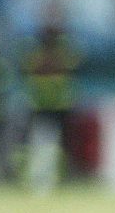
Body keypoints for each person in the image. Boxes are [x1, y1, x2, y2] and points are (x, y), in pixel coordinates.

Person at [22, 19, 80, 193]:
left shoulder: (63, 50)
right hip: (41, 105)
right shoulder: (36, 52)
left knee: (59, 145)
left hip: (58, 106)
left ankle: (59, 178)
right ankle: (37, 178)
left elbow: (73, 66)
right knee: (38, 145)